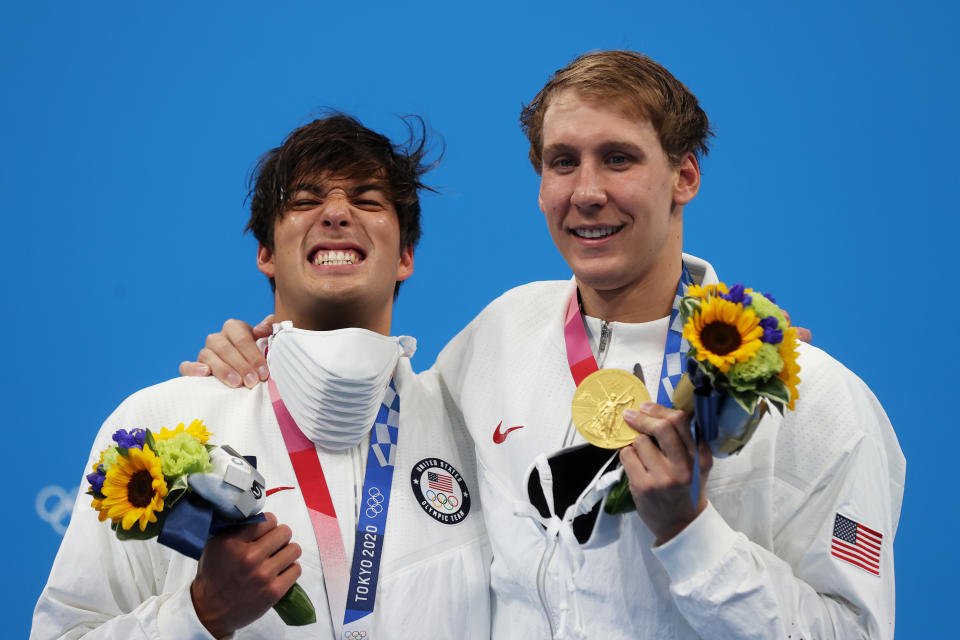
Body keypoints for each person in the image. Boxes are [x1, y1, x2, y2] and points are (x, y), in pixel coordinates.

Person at [187, 51, 904, 639]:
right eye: (563, 162)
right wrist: (256, 357)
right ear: (538, 184)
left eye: (618, 159)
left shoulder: (812, 399)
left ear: (684, 176)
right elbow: (374, 417)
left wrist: (690, 532)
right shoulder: (500, 336)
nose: (586, 192)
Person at [32, 114, 490, 639]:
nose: (337, 213)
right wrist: (200, 614)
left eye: (367, 200)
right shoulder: (160, 424)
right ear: (266, 254)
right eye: (304, 200)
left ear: (406, 255)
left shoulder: (470, 423)